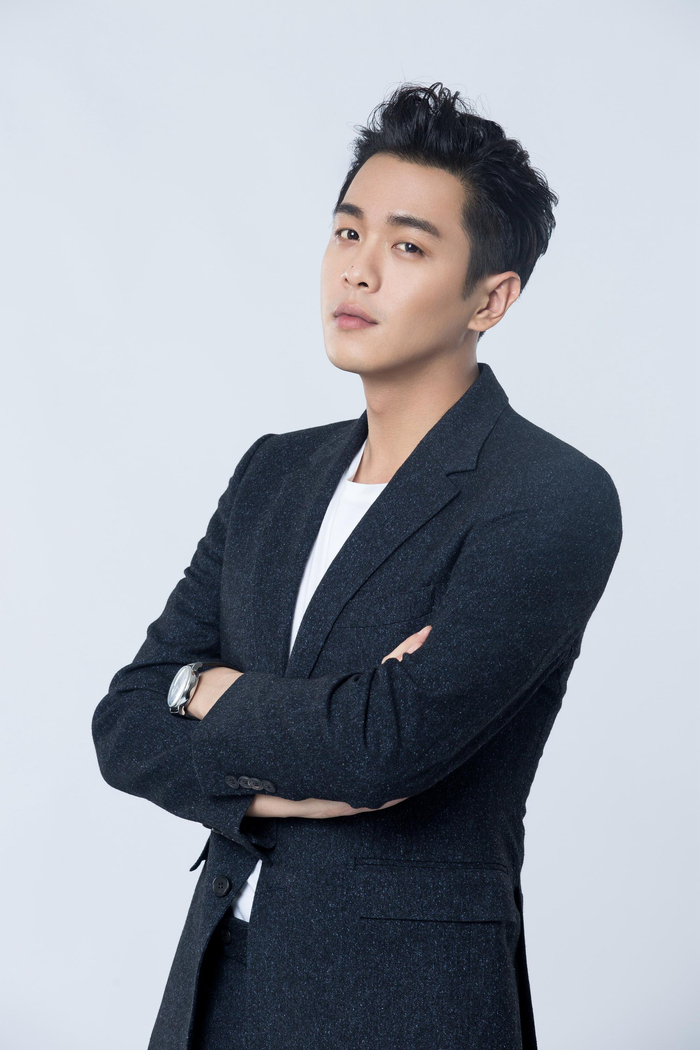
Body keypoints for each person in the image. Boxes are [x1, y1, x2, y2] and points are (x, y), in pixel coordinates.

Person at [92, 81, 623, 1050]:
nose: (359, 269)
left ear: (490, 298)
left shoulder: (550, 496)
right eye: (347, 232)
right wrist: (287, 742)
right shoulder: (274, 473)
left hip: (399, 1005)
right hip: (214, 993)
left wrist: (207, 696)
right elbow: (125, 722)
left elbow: (386, 748)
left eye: (408, 247)